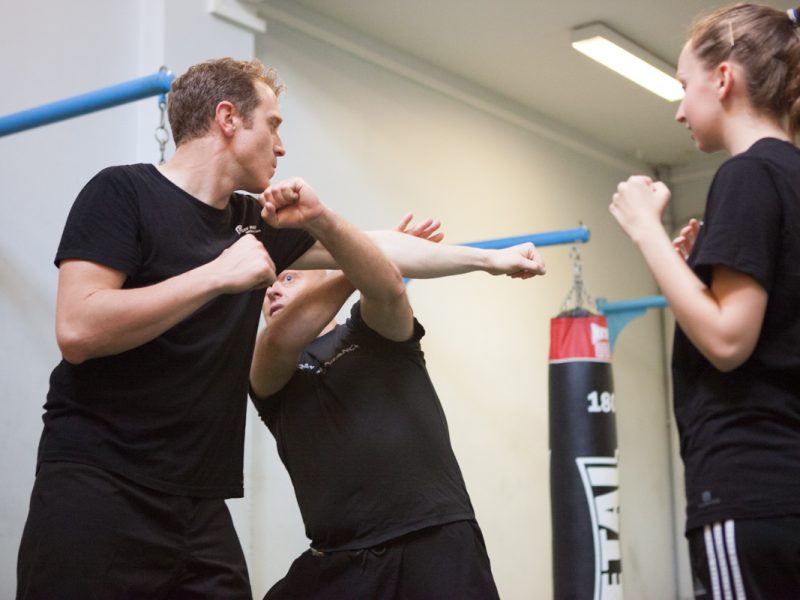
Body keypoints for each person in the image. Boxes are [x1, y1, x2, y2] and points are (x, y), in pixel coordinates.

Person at [16, 57, 545, 599]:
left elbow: (378, 249)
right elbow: (79, 328)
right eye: (273, 124)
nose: (282, 144)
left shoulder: (253, 221)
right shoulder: (122, 193)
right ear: (228, 118)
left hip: (199, 505)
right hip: (100, 482)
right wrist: (216, 276)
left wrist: (490, 260)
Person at [609, 5, 800, 599]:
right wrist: (692, 268)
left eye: (684, 87)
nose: (679, 108)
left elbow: (726, 340)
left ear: (723, 79)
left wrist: (645, 231)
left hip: (752, 488)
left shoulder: (746, 176)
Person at [249, 222, 537, 599]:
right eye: (269, 283)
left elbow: (389, 290)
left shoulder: (373, 334)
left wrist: (372, 262)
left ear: (324, 277)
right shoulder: (269, 368)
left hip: (434, 541)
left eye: (288, 277)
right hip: (340, 561)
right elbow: (280, 339)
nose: (273, 289)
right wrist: (370, 258)